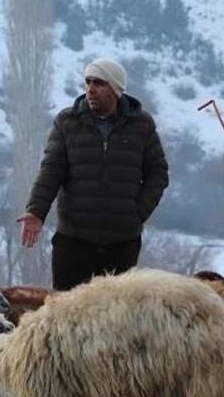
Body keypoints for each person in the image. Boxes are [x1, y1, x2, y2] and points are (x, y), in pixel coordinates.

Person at [17, 58, 169, 291]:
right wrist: (35, 212)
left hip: (122, 243)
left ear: (116, 88)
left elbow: (158, 173)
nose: (90, 89)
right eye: (88, 82)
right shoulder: (67, 122)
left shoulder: (141, 125)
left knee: (115, 317)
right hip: (74, 240)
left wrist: (136, 213)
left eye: (99, 83)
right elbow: (51, 170)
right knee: (66, 315)